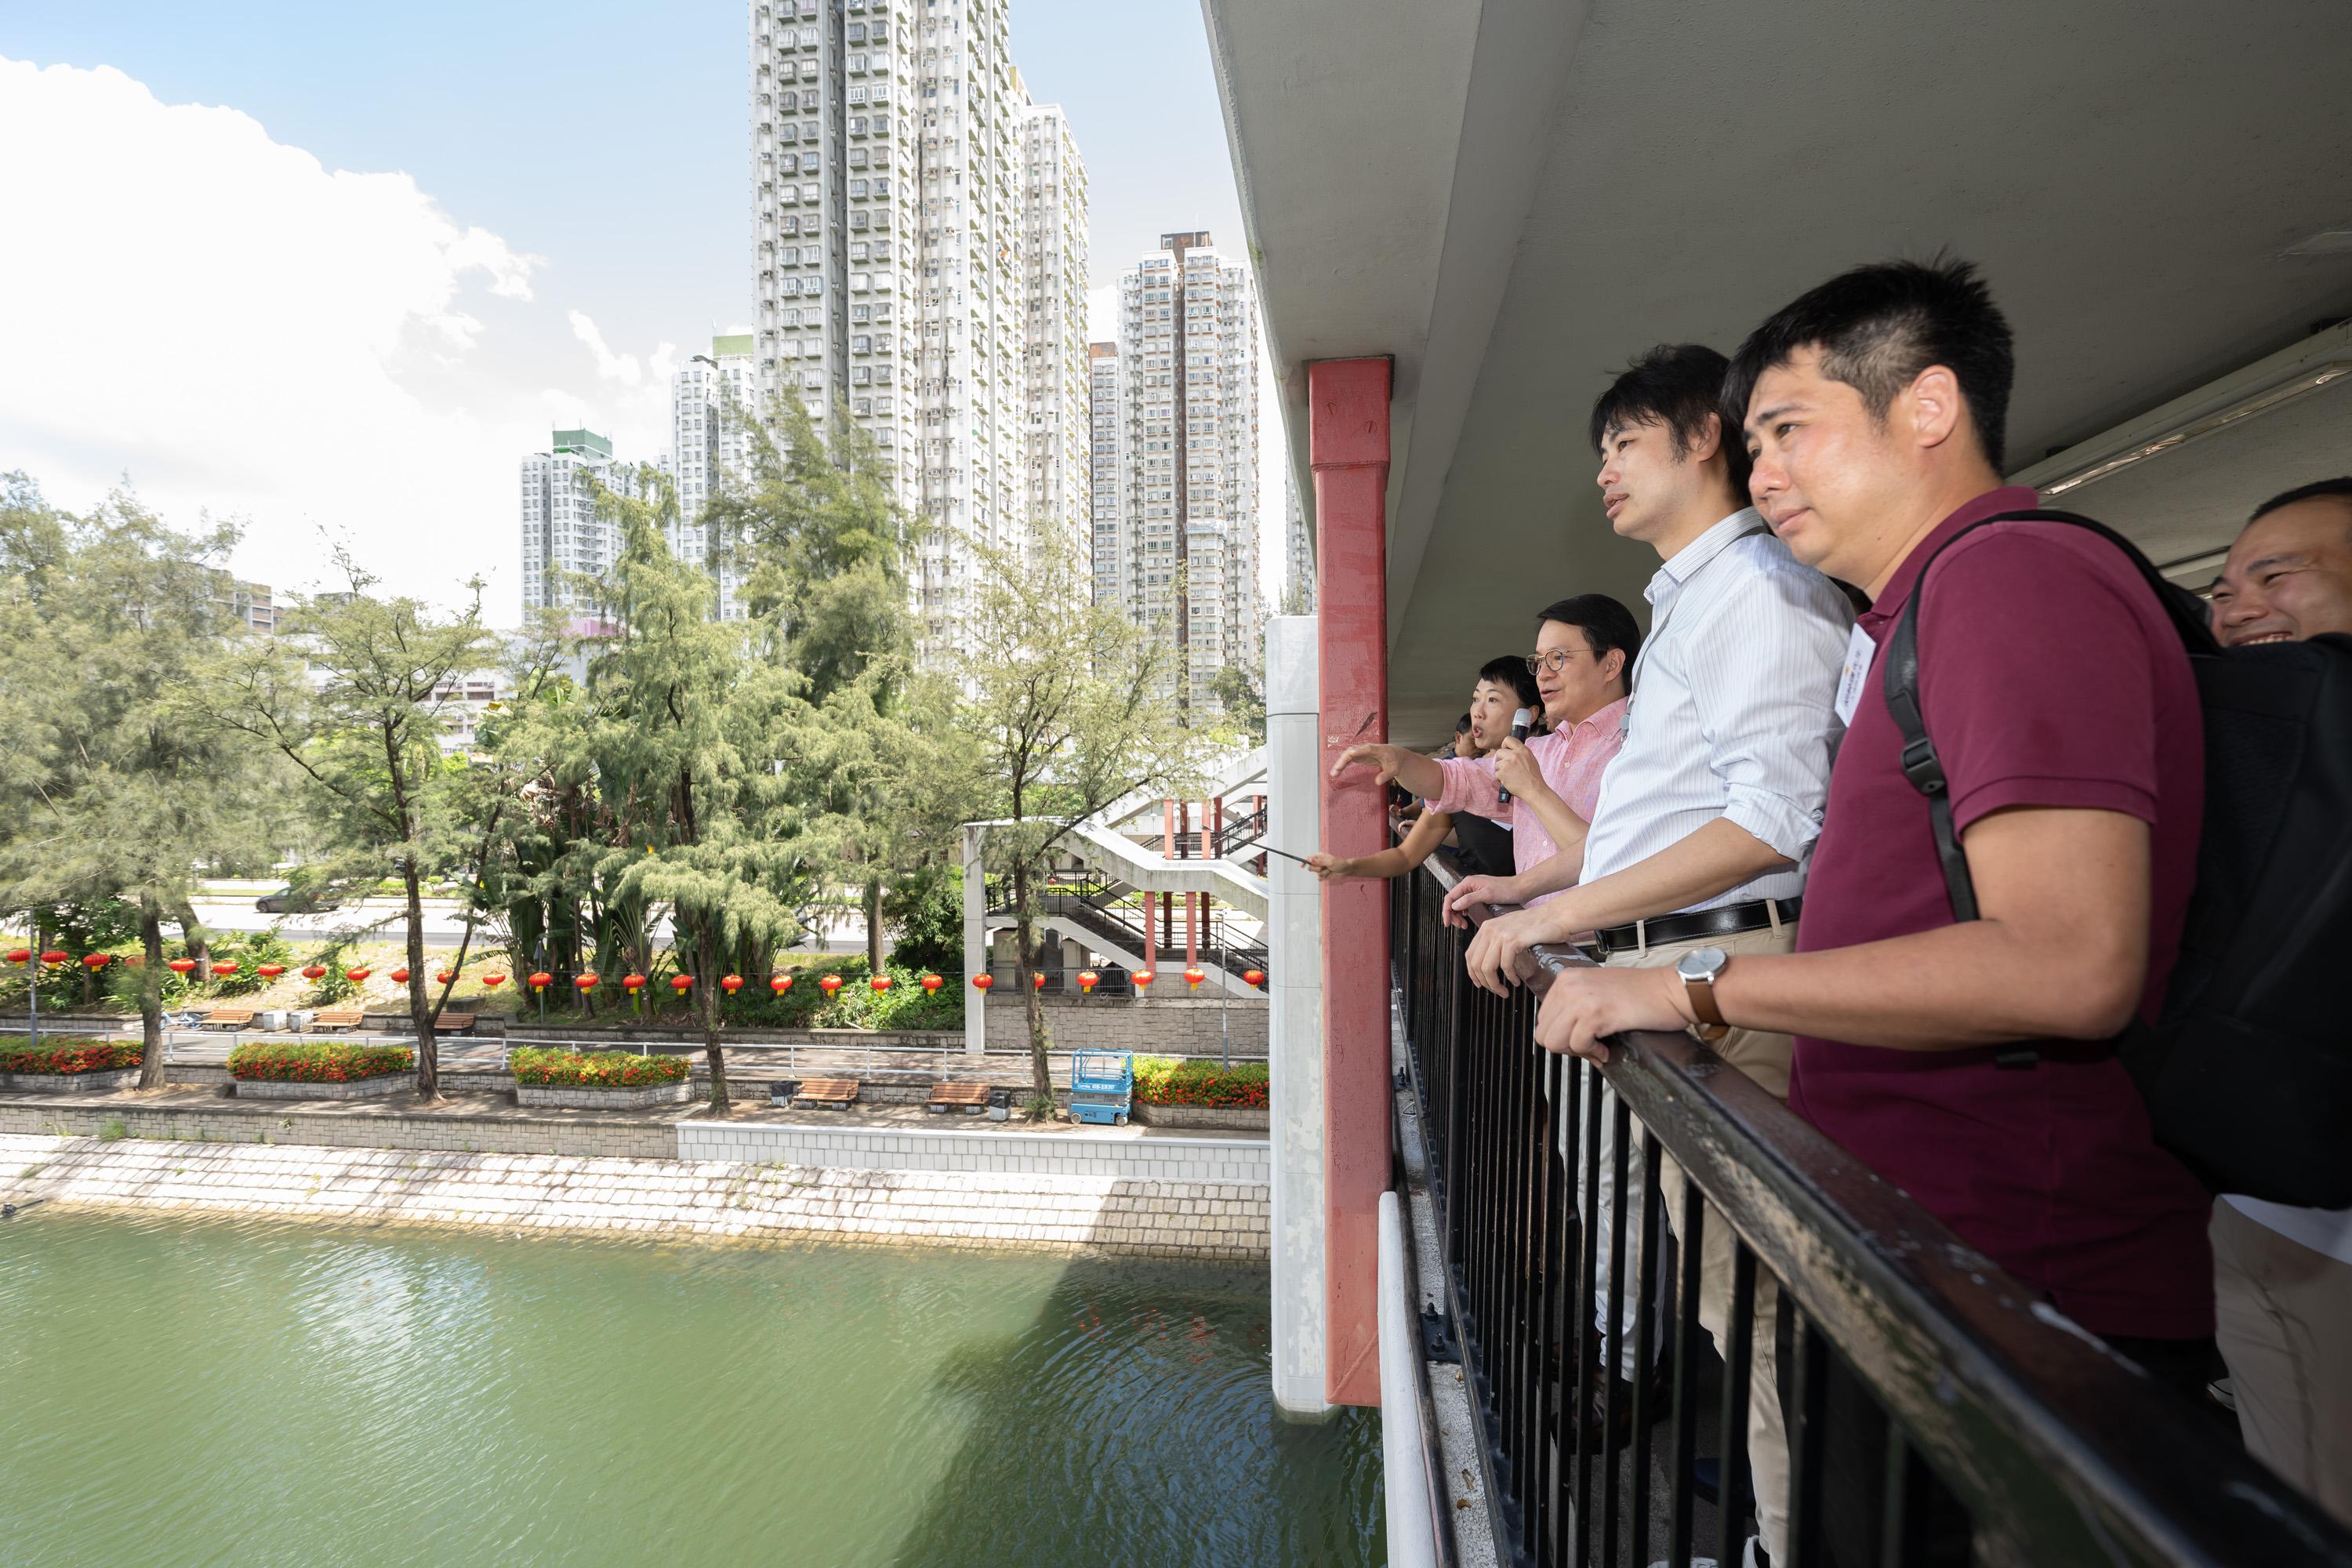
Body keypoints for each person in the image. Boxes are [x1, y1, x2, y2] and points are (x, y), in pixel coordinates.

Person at [1531, 259, 2217, 1565]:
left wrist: (1695, 988)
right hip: (1931, 1253)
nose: (1765, 469)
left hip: (2015, 1279)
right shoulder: (1923, 604)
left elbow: (2069, 965)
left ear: (1929, 408)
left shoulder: (2007, 580)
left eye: (1789, 429)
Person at [1453, 344, 1852, 1568]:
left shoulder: (1759, 595)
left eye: (1625, 442)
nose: (1604, 470)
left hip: (1727, 978)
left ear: (1701, 439)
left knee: (1770, 1319)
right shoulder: (1697, 601)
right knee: (1739, 1308)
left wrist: (1555, 918)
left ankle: (1792, 1544)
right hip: (1677, 976)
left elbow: (1778, 815)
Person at [2204, 477, 2352, 1528]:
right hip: (2282, 1209)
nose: (2236, 605)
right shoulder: (2253, 745)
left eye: (2274, 575)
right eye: (2223, 585)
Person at [1326, 595, 1634, 906]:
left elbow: (1616, 863)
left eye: (1557, 658)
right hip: (1541, 946)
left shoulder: (1638, 747)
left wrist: (1533, 789)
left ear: (1610, 664)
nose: (1543, 674)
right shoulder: (1538, 751)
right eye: (1538, 662)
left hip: (1610, 950)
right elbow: (1456, 779)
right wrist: (1401, 759)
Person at [1306, 658, 1537, 884]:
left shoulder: (1547, 771)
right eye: (1476, 699)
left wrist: (1402, 759)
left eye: (1493, 700)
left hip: (1535, 917)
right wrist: (1348, 866)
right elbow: (1405, 856)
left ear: (1529, 714)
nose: (1478, 711)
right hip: (1479, 916)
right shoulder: (1464, 777)